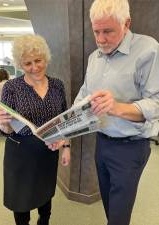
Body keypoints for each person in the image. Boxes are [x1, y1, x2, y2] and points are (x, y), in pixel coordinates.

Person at [74, 0, 159, 225]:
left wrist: (116, 107)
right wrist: (61, 130)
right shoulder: (95, 57)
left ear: (127, 23)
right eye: (96, 32)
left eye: (108, 31)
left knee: (119, 216)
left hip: (130, 147)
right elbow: (83, 96)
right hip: (102, 142)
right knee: (110, 207)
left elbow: (156, 103)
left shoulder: (148, 49)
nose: (101, 39)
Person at [0, 34, 70, 225]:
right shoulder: (11, 87)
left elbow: (65, 120)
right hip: (21, 153)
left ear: (46, 58)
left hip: (48, 150)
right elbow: (7, 129)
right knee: (21, 200)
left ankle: (44, 222)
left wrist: (66, 146)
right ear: (20, 64)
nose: (34, 67)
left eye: (38, 60)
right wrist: (2, 122)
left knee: (45, 195)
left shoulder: (57, 85)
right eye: (27, 63)